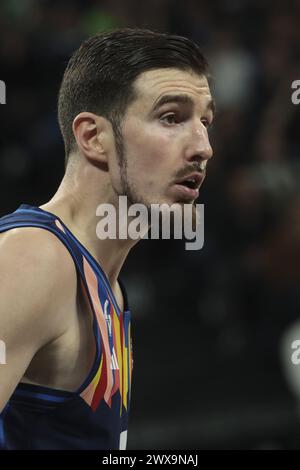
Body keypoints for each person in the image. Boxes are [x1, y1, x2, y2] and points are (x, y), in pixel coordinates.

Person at [0, 28, 214, 450]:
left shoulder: (106, 283)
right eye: (172, 117)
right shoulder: (34, 260)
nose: (203, 146)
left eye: (205, 122)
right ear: (93, 137)